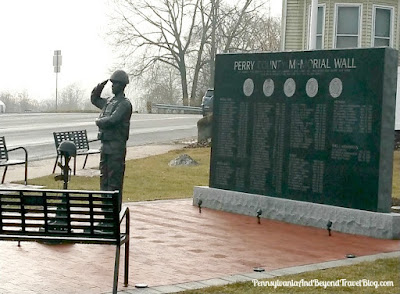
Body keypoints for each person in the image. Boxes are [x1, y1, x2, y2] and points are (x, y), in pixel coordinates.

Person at [91, 70, 132, 211]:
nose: (112, 86)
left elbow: (113, 120)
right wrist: (99, 87)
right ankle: (105, 216)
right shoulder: (109, 102)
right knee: (104, 181)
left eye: (115, 84)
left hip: (116, 148)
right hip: (105, 147)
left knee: (114, 183)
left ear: (122, 86)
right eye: (112, 83)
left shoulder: (124, 104)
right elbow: (95, 100)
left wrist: (99, 121)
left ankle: (112, 216)